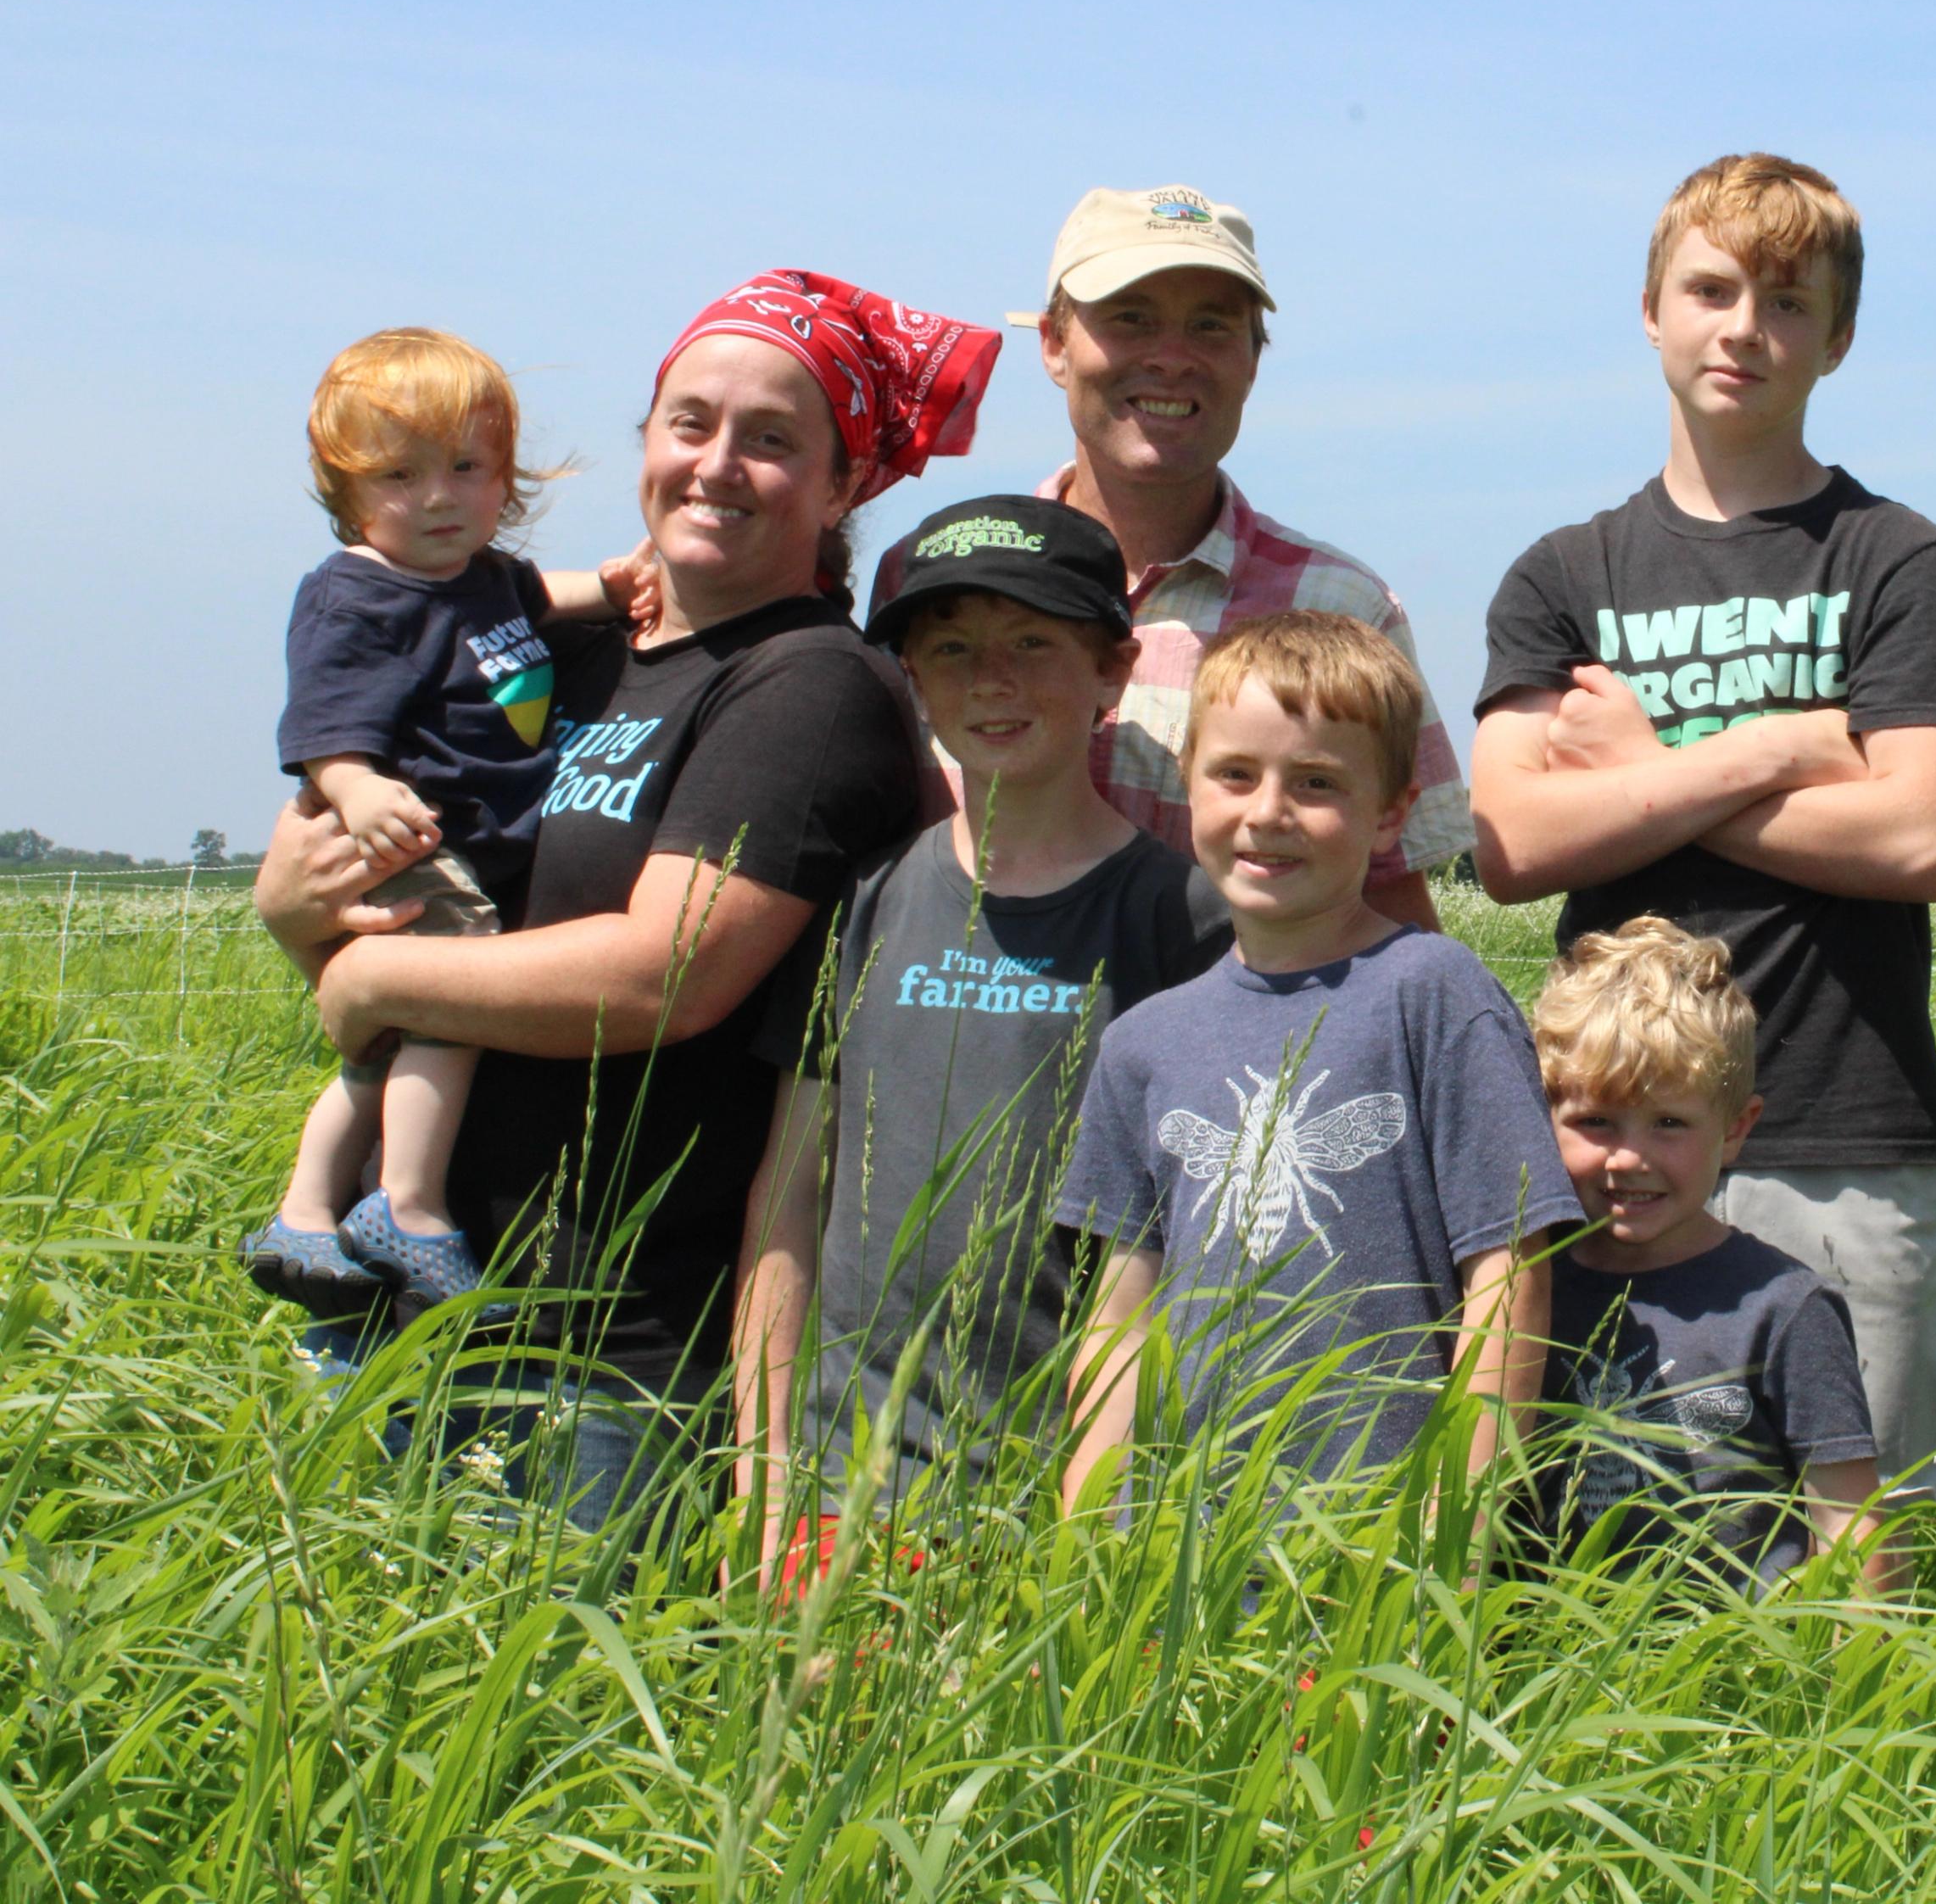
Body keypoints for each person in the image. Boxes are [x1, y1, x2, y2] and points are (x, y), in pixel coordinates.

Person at [252, 271, 994, 1532]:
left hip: (609, 1351)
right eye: (690, 422)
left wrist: (365, 980)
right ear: (645, 437)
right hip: (424, 1300)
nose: (716, 465)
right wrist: (290, 910)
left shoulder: (810, 686)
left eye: (774, 441)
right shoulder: (575, 653)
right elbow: (368, 838)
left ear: (844, 486)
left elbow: (658, 976)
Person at [1470, 153, 1936, 1508]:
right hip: (1611, 1137)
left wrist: (1645, 776)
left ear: (1836, 336)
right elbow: (1517, 844)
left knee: (1861, 1532)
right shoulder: (1565, 573)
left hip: (1843, 1127)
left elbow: (1920, 838)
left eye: (1786, 300)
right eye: (1709, 289)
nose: (1743, 328)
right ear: (1651, 310)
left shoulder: (1894, 557)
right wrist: (1772, 748)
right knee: (1604, 1521)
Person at [732, 494, 1231, 1570]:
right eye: (950, 648)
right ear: (912, 682)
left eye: (1032, 644)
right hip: (843, 1484)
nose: (990, 680)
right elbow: (789, 1194)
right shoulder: (863, 904)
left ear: (1114, 670)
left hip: (1072, 1498)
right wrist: (763, 1471)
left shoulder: (1186, 919)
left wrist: (1104, 1510)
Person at [1056, 612, 1578, 1513]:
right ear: (1188, 784)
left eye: (1317, 782)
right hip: (1185, 1550)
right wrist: (1088, 1533)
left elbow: (1510, 1270)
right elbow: (1118, 1320)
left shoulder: (1436, 992)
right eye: (1235, 774)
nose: (1268, 812)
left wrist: (1459, 1518)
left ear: (1392, 811)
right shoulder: (1142, 1043)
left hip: (1388, 1538)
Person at [940, 183, 1471, 929]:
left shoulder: (1342, 608)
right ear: (1054, 346)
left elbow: (1389, 909)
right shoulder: (945, 591)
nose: (1172, 358)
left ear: (1253, 362)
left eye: (1212, 327)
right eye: (1131, 319)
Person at [247, 327, 630, 1314]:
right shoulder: (357, 597)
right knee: (451, 999)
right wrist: (357, 788)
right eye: (401, 474)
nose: (437, 497)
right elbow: (324, 727)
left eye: (467, 467)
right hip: (415, 841)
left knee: (385, 1046)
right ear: (345, 489)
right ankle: (407, 1206)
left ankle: (302, 1213)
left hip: (461, 846)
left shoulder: (486, 576)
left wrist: (625, 586)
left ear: (506, 477)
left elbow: (549, 598)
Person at [1526, 917, 1886, 1592]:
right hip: (1539, 1665)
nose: (1629, 1158)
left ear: (1734, 1129)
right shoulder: (1524, 1291)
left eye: (1669, 1123)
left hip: (1733, 1672)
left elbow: (1851, 1524)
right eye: (1594, 1121)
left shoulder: (1783, 1309)